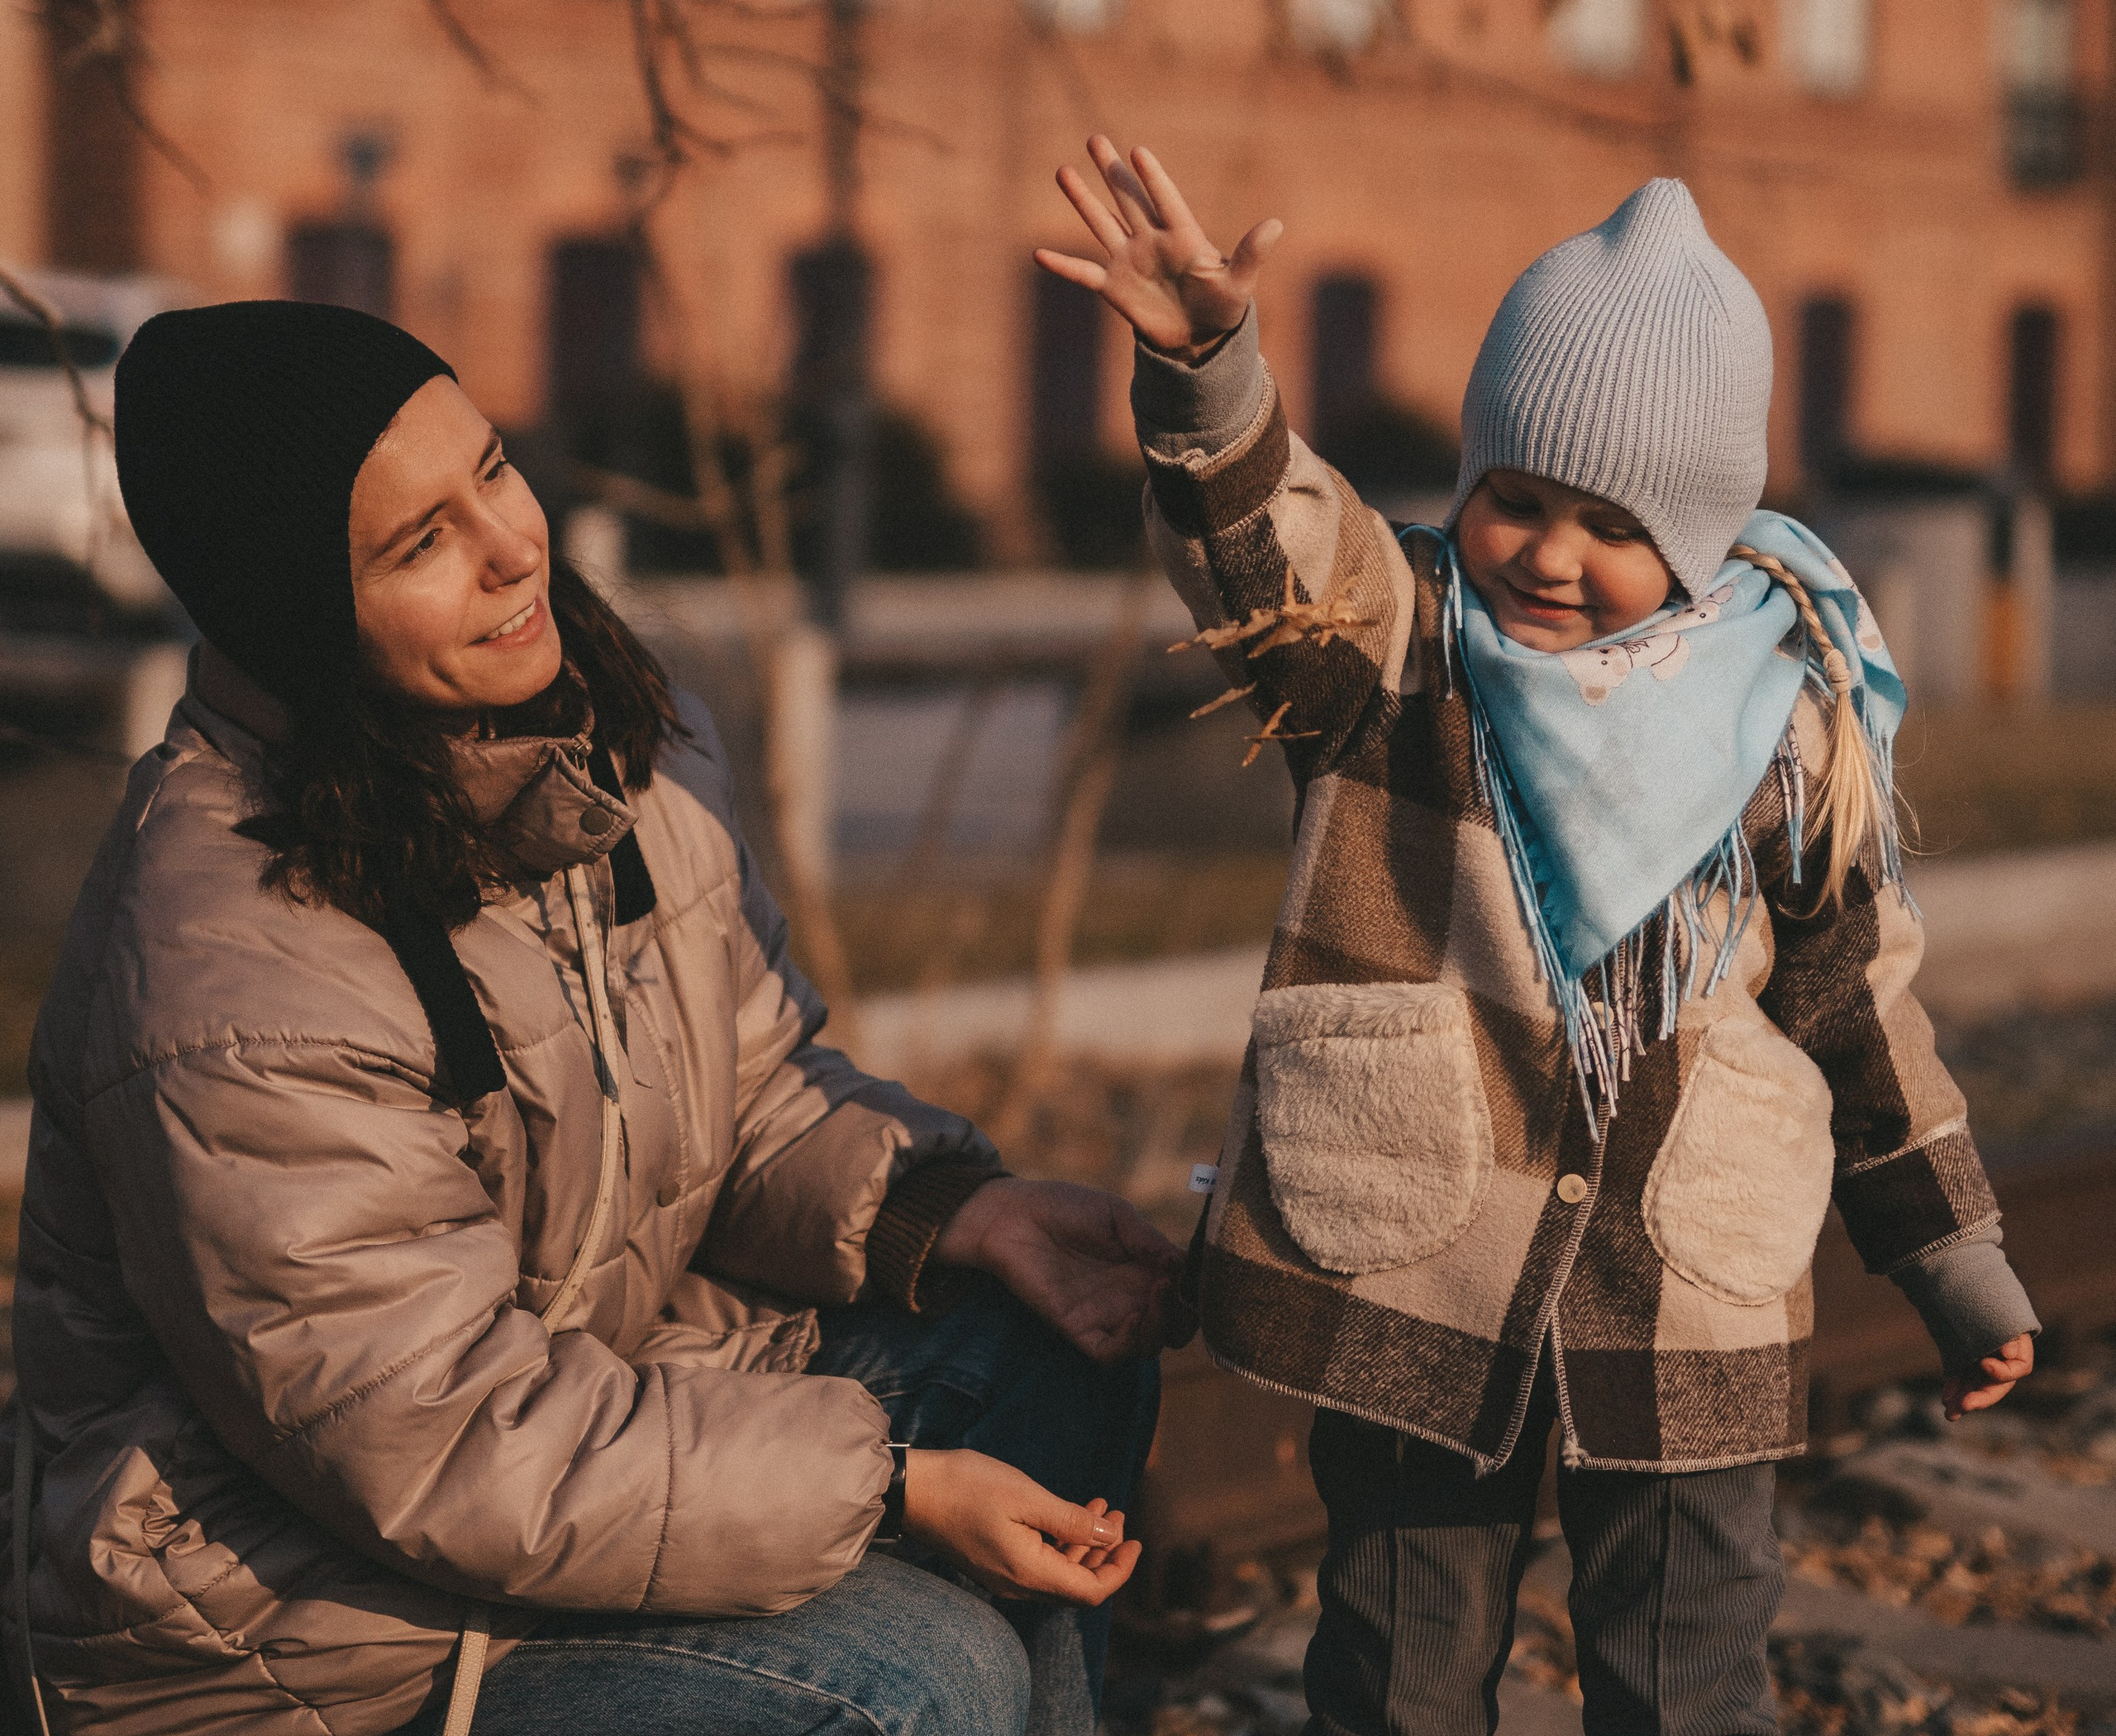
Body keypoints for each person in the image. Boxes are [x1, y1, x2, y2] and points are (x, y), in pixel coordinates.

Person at [2, 300, 1181, 1736]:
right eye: (419, 543)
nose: (511, 547)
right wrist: (891, 1484)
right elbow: (436, 1436)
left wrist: (955, 1219)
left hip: (550, 1476)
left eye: (493, 469)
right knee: (913, 1679)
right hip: (319, 1647)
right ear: (304, 616)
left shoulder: (572, 776)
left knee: (1052, 1340)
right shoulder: (234, 973)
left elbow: (745, 1098)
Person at [1037, 142, 2039, 1736]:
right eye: (1517, 498)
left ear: (1702, 535)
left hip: (1685, 1289)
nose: (1550, 555)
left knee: (1686, 1671)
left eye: (1612, 522)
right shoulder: (1397, 647)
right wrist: (1208, 371)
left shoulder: (1783, 720)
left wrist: (1951, 1251)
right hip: (1420, 1267)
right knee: (1400, 1665)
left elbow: (1860, 1005)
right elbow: (1261, 540)